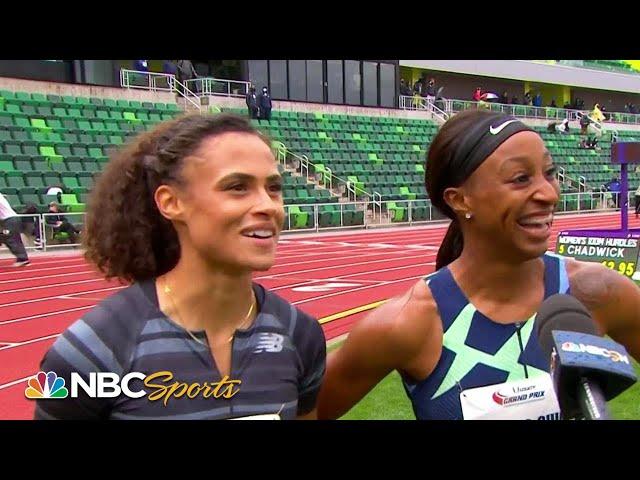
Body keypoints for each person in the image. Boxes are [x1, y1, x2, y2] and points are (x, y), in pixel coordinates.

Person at [317, 110, 640, 420]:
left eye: (549, 173)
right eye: (520, 178)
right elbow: (302, 412)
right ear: (460, 200)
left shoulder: (597, 292)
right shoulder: (406, 324)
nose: (549, 193)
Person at [34, 113, 326, 420]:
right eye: (238, 187)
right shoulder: (90, 351)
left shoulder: (300, 335)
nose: (268, 205)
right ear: (171, 202)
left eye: (274, 188)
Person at [0, 192, 30, 266]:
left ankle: (22, 258)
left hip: (9, 220)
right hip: (8, 220)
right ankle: (22, 258)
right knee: (7, 237)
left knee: (11, 239)